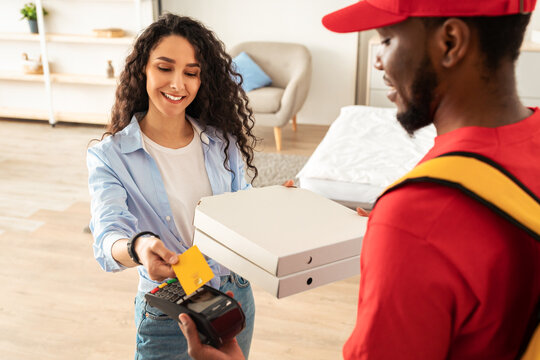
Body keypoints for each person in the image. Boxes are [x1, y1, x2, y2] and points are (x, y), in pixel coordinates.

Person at [178, 0, 540, 359]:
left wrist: (404, 237)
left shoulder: (417, 215)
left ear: (450, 42)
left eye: (386, 40)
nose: (378, 60)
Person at [87, 13, 258, 359]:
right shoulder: (110, 156)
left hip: (232, 293)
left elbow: (244, 212)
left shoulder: (221, 143)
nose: (178, 84)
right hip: (171, 305)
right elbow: (108, 236)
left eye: (191, 73)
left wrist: (276, 206)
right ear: (144, 70)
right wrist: (140, 248)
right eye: (165, 68)